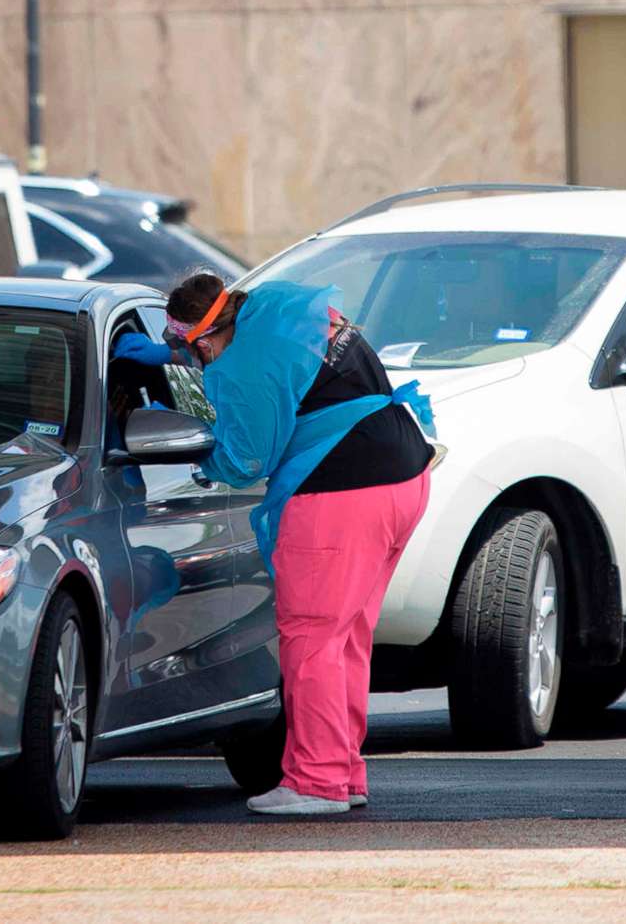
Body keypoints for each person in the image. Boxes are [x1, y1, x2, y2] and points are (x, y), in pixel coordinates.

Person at [164, 268, 434, 817]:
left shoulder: (246, 364)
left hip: (341, 492)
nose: (198, 362)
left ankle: (316, 782)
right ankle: (344, 772)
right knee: (346, 637)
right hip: (404, 477)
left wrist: (197, 453)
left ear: (207, 335)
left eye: (191, 350)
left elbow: (247, 461)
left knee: (310, 639)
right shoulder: (293, 314)